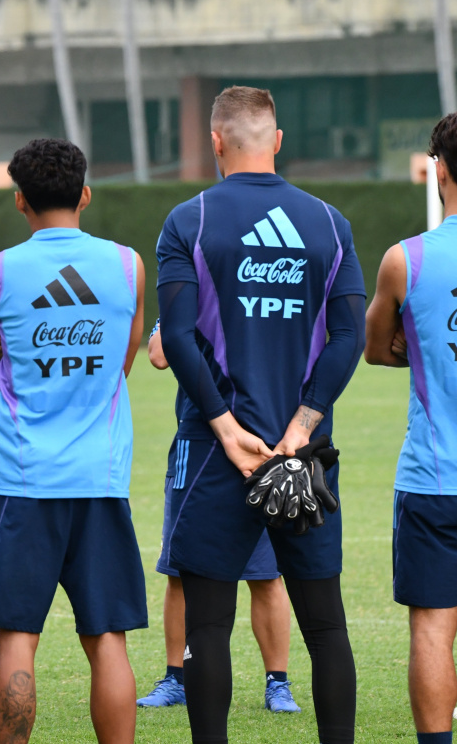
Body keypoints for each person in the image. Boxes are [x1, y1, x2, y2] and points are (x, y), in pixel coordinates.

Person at [155, 85, 365, 744]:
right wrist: (301, 427)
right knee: (325, 626)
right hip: (304, 453)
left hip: (217, 451)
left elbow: (177, 337)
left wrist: (224, 426)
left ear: (216, 141)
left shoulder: (189, 219)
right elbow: (350, 336)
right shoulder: (328, 221)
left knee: (208, 626)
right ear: (276, 141)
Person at [0, 138, 147, 744]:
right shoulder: (127, 265)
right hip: (100, 476)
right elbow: (123, 361)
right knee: (107, 637)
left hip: (22, 479)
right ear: (85, 195)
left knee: (17, 636)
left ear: (19, 200)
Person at [140, 320, 299, 713]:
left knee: (266, 575)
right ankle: (176, 678)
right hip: (199, 447)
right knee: (181, 573)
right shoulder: (189, 295)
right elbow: (158, 355)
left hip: (266, 445)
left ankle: (278, 683)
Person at [365, 112, 457, 744]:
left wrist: (419, 345)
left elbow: (376, 350)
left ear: (439, 171)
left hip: (434, 478)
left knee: (431, 627)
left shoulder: (405, 260)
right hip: (431, 478)